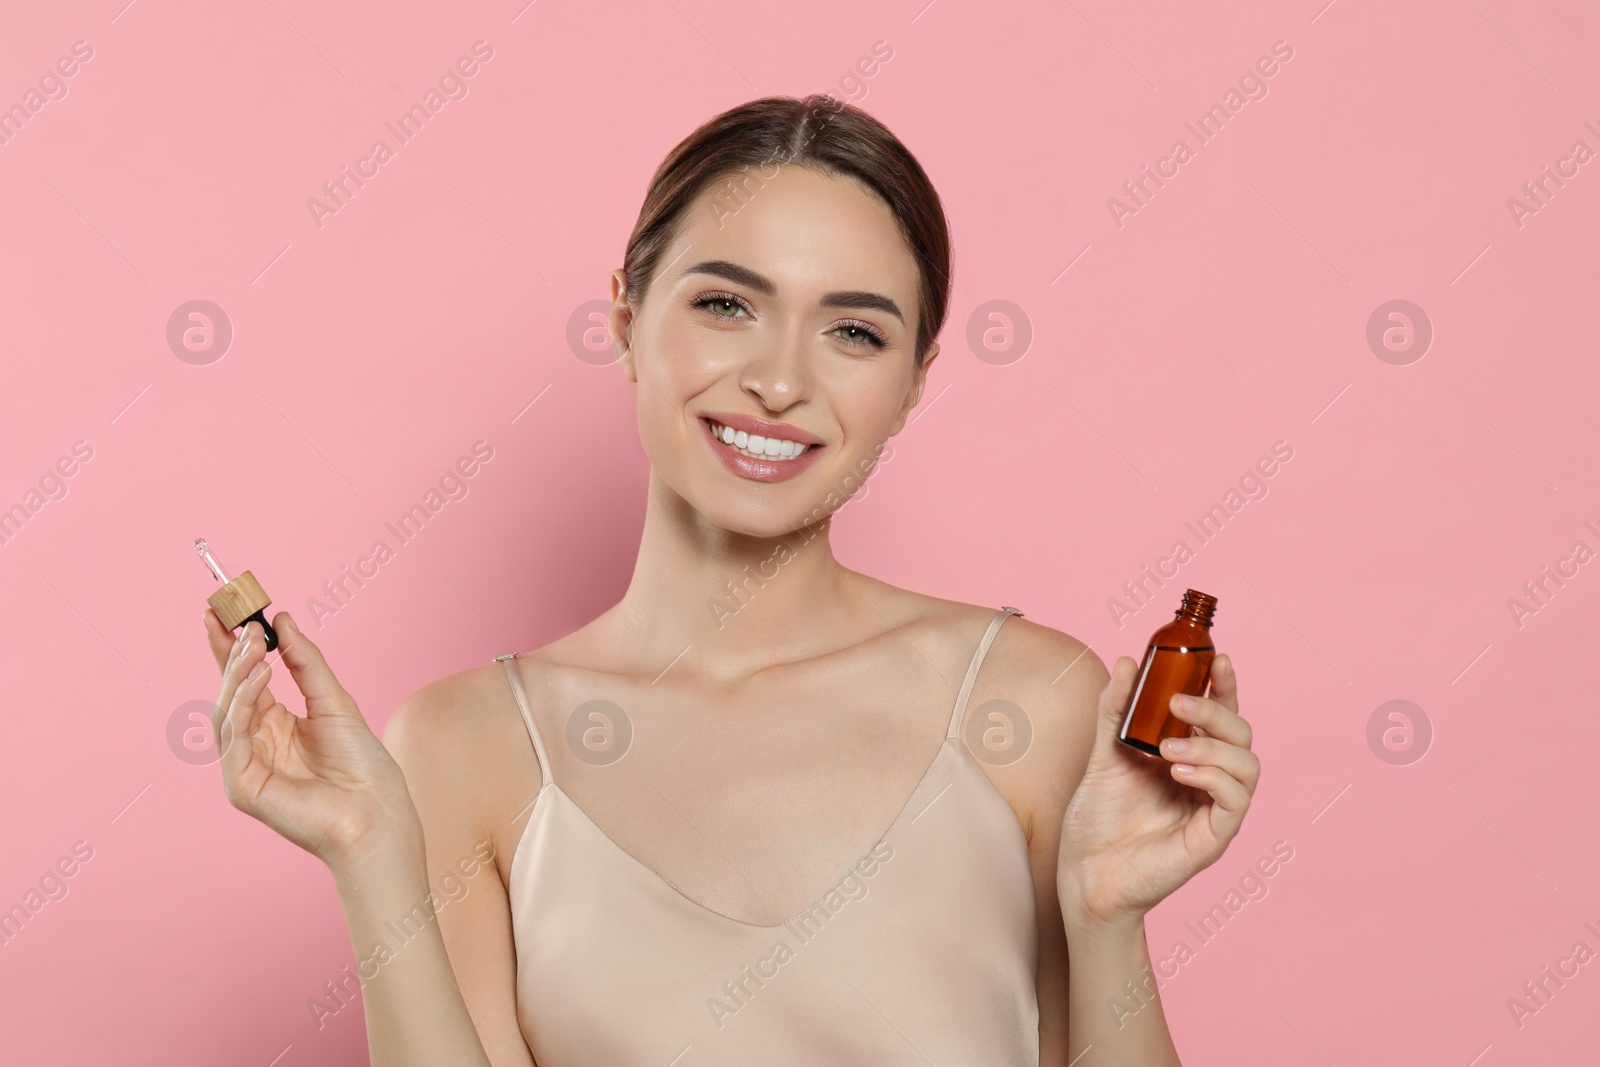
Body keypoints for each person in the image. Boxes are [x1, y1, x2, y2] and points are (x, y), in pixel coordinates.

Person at [203, 94, 1259, 1067]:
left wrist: (1108, 919)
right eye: (725, 304)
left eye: (853, 330)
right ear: (625, 320)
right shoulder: (464, 745)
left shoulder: (1030, 700)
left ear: (912, 383)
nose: (781, 380)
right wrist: (367, 851)